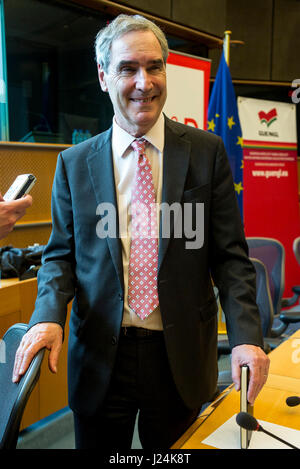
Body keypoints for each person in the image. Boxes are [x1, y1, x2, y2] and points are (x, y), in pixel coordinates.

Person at [12, 14, 269, 450]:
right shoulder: (74, 164)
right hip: (99, 357)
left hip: (181, 358)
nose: (144, 82)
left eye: (154, 67)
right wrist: (48, 316)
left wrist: (246, 337)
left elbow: (230, 258)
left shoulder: (206, 153)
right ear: (102, 76)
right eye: (128, 68)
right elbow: (61, 258)